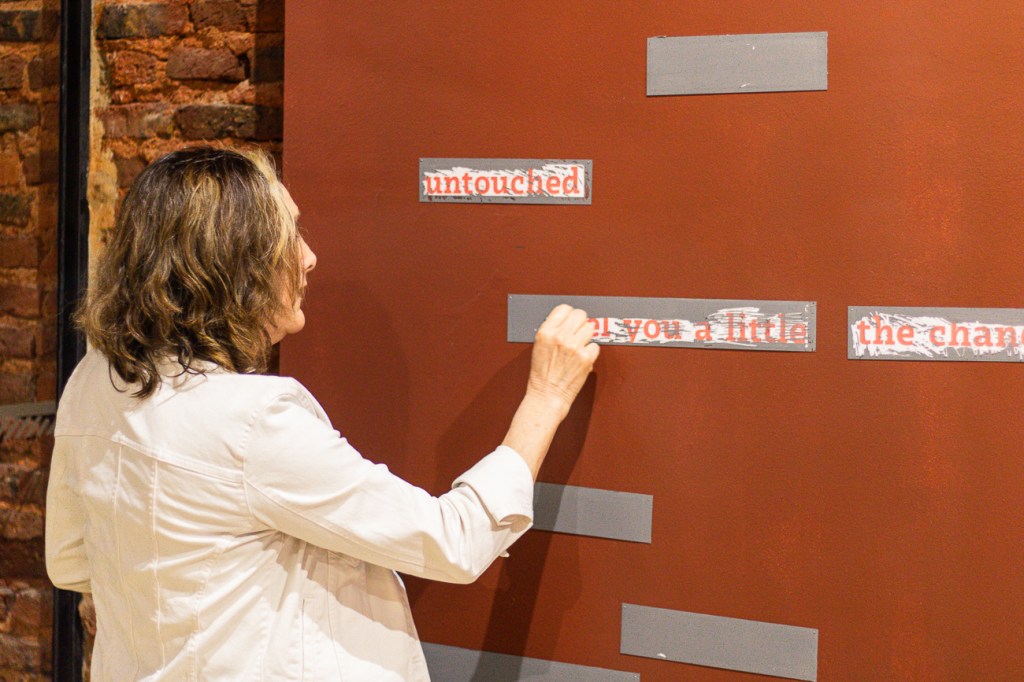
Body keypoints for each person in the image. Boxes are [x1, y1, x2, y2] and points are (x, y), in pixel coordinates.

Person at [45, 146, 599, 680]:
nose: (308, 257)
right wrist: (546, 397)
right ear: (235, 266)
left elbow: (70, 562)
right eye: (288, 236)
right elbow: (454, 542)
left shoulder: (95, 380)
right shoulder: (254, 423)